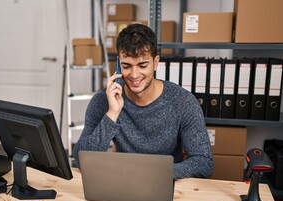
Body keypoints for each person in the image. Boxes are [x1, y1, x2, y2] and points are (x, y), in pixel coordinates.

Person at [73, 23, 213, 179]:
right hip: (122, 184)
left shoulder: (183, 102)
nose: (134, 74)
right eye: (126, 66)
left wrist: (153, 174)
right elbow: (81, 159)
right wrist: (112, 114)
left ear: (155, 63)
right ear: (118, 64)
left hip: (167, 183)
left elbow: (203, 162)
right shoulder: (103, 101)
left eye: (142, 65)